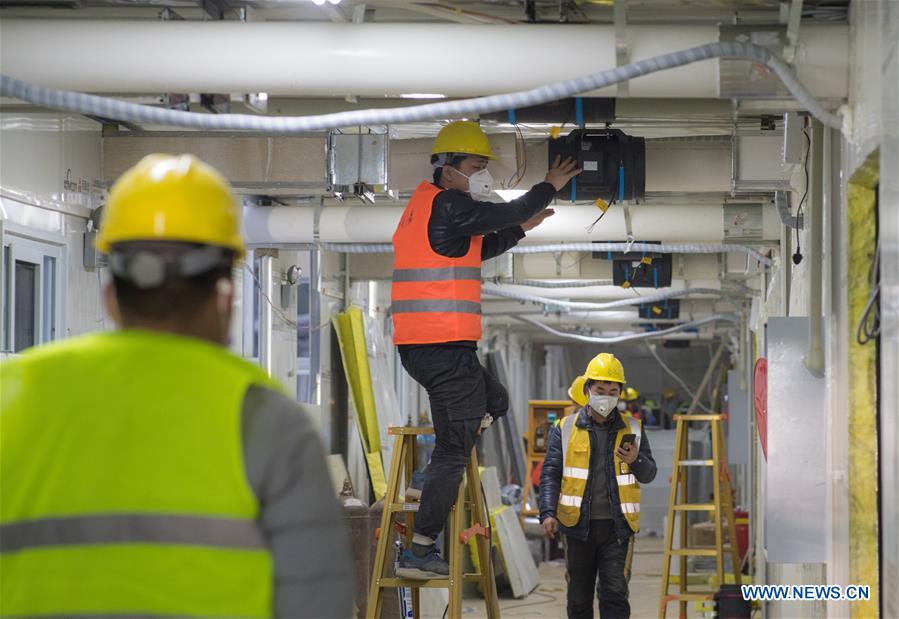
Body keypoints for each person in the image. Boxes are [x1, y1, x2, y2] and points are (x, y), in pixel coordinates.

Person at [0, 154, 353, 618]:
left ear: (110, 295)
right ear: (226, 295)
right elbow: (317, 603)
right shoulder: (267, 421)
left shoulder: (15, 393)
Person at [391, 120, 580, 579]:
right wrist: (547, 188)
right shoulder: (449, 204)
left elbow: (482, 246)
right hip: (438, 345)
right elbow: (499, 216)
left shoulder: (427, 209)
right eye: (477, 165)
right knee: (455, 450)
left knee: (495, 401)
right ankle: (419, 549)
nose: (483, 174)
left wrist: (523, 227)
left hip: (433, 347)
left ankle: (426, 483)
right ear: (448, 167)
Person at [539, 353, 657, 619]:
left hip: (618, 528)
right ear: (587, 389)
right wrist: (547, 512)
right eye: (600, 390)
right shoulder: (565, 428)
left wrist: (636, 460)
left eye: (612, 391)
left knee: (614, 594)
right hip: (577, 528)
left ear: (620, 394)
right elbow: (551, 473)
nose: (606, 396)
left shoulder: (634, 428)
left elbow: (650, 473)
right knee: (578, 598)